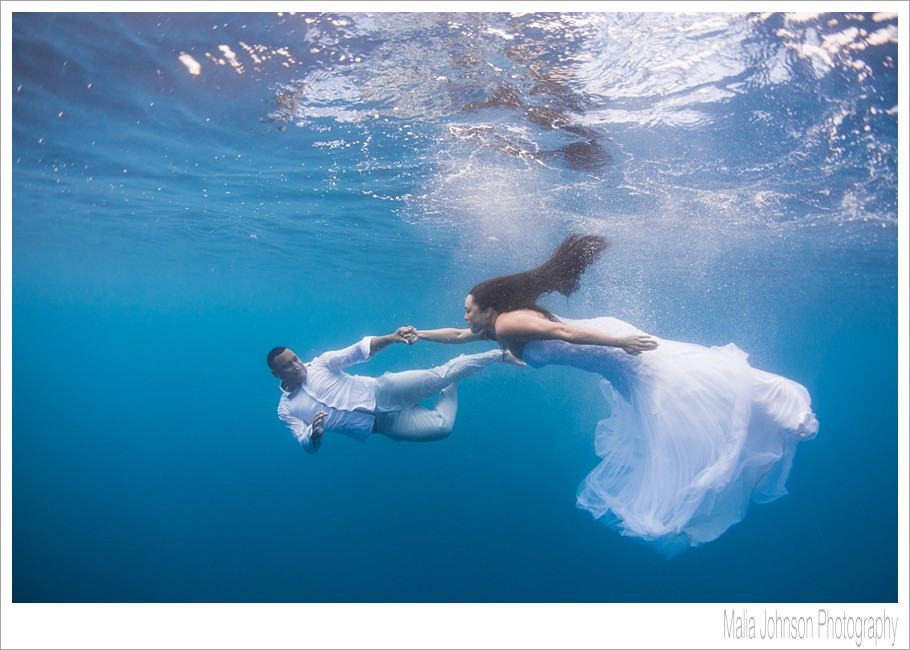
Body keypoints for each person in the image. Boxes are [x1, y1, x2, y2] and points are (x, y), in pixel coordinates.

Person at [412, 234, 819, 557]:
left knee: (686, 395)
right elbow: (459, 336)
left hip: (612, 351)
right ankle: (767, 417)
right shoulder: (495, 324)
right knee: (687, 395)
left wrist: (620, 342)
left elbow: (564, 333)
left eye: (469, 309)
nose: (465, 316)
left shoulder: (507, 324)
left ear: (488, 309)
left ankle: (775, 413)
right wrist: (416, 334)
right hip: (609, 353)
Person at [267, 327, 504, 453]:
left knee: (442, 375)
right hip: (382, 426)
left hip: (385, 391)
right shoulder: (286, 409)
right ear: (277, 374)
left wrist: (390, 337)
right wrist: (313, 435)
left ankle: (501, 353)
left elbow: (357, 351)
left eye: (295, 358)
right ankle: (454, 378)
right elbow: (303, 442)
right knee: (443, 428)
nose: (297, 365)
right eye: (288, 365)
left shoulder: (320, 363)